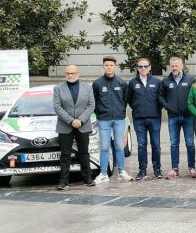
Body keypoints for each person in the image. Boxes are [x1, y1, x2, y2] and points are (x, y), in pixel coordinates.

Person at [52, 65, 96, 190]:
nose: (70, 75)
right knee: (65, 154)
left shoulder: (87, 88)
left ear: (78, 73)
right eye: (68, 73)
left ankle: (88, 178)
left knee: (84, 153)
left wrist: (80, 120)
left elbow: (91, 105)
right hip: (65, 125)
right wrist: (71, 121)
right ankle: (63, 181)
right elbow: (57, 107)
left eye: (72, 73)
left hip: (83, 125)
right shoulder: (58, 88)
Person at [92, 56, 132, 184]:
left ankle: (122, 172)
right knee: (104, 147)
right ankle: (103, 174)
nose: (109, 67)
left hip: (119, 119)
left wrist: (120, 111)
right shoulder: (97, 83)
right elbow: (94, 101)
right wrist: (100, 112)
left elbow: (125, 100)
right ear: (103, 67)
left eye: (111, 65)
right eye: (106, 65)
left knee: (119, 146)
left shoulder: (121, 83)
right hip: (104, 119)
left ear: (115, 67)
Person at [159, 57, 196, 179]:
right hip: (173, 117)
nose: (174, 68)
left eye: (176, 66)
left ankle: (191, 167)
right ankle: (175, 169)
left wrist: (193, 109)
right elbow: (160, 96)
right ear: (170, 67)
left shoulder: (191, 80)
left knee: (190, 143)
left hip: (188, 117)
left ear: (181, 66)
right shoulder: (166, 81)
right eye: (172, 66)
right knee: (174, 144)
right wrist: (167, 106)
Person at [127, 57, 163, 180]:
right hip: (139, 118)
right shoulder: (132, 83)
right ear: (137, 68)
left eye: (145, 66)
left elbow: (161, 99)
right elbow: (130, 100)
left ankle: (157, 170)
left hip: (154, 118)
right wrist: (138, 108)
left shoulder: (157, 82)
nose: (143, 69)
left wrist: (155, 110)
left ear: (150, 67)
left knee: (156, 145)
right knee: (141, 145)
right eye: (140, 66)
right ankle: (142, 170)